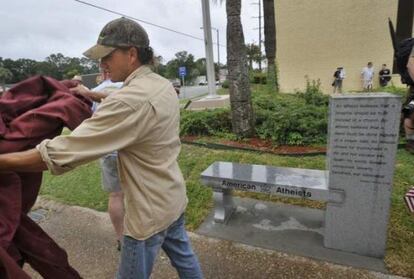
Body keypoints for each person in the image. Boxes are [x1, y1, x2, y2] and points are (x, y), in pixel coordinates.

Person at [0, 17, 203, 279]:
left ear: (131, 54)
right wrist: (90, 94)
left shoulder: (130, 101)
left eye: (107, 55)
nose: (101, 63)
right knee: (186, 260)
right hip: (172, 197)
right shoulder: (162, 86)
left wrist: (3, 162)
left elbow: (62, 153)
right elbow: (126, 98)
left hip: (147, 215)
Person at [71, 71, 125, 250]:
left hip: (108, 150)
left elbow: (89, 119)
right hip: (132, 148)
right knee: (138, 193)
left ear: (103, 72)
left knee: (116, 195)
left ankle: (121, 238)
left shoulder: (96, 90)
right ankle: (140, 234)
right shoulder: (130, 86)